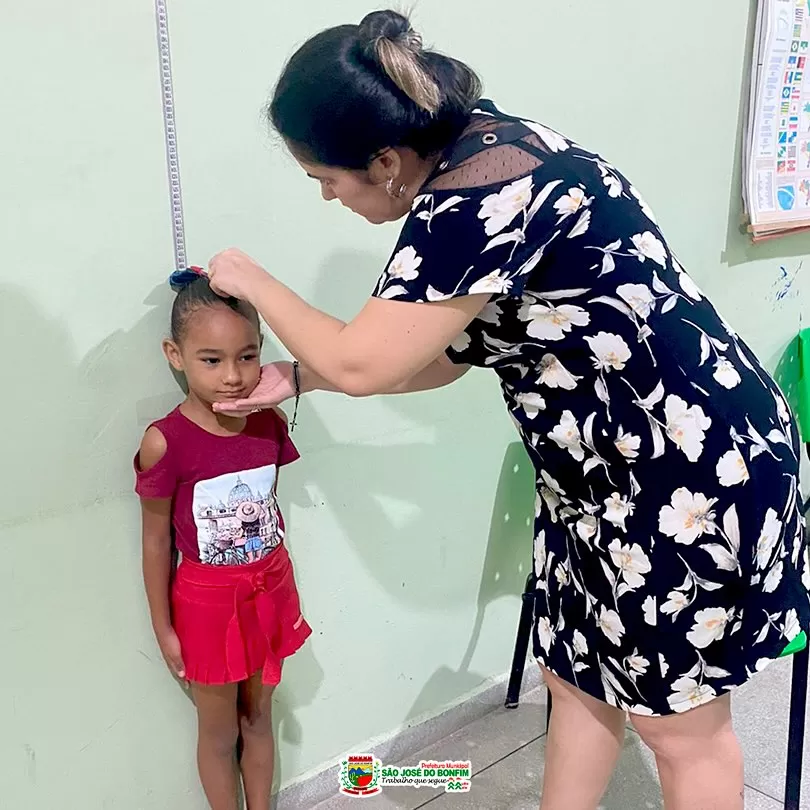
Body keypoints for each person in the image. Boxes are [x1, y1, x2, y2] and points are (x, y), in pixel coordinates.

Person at [205, 10, 810, 810]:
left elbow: (362, 359)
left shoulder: (471, 198)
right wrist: (297, 379)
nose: (328, 198)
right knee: (579, 678)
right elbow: (450, 352)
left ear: (384, 161)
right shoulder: (484, 146)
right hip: (599, 478)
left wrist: (251, 280)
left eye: (329, 180)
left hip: (686, 474)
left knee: (679, 728)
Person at [134, 270, 311, 810]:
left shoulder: (270, 423)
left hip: (270, 589)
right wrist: (163, 628)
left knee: (259, 717)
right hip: (207, 606)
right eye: (211, 360)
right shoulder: (166, 441)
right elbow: (156, 542)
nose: (233, 376)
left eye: (247, 356)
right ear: (176, 353)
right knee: (219, 732)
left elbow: (267, 505)